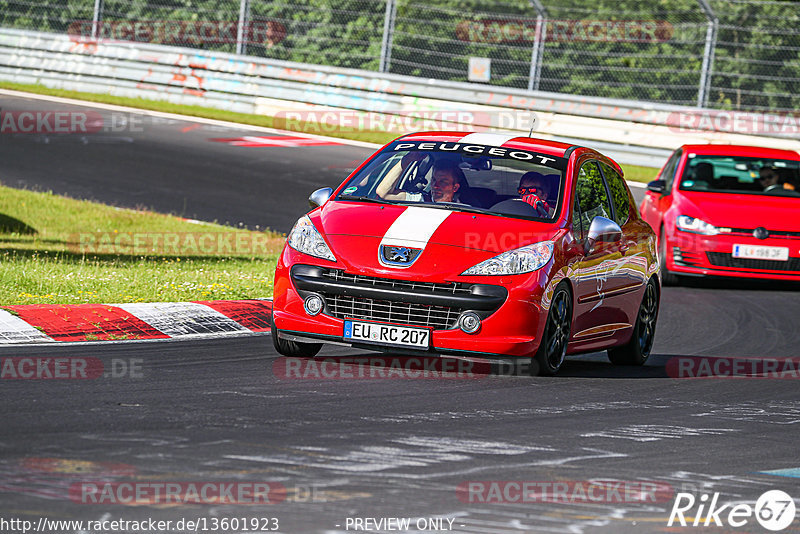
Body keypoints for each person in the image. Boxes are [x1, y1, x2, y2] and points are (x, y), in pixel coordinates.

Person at [377, 158, 465, 203]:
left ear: (455, 187)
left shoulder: (467, 209)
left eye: (443, 182)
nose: (435, 186)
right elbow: (383, 193)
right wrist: (407, 159)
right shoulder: (421, 199)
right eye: (433, 180)